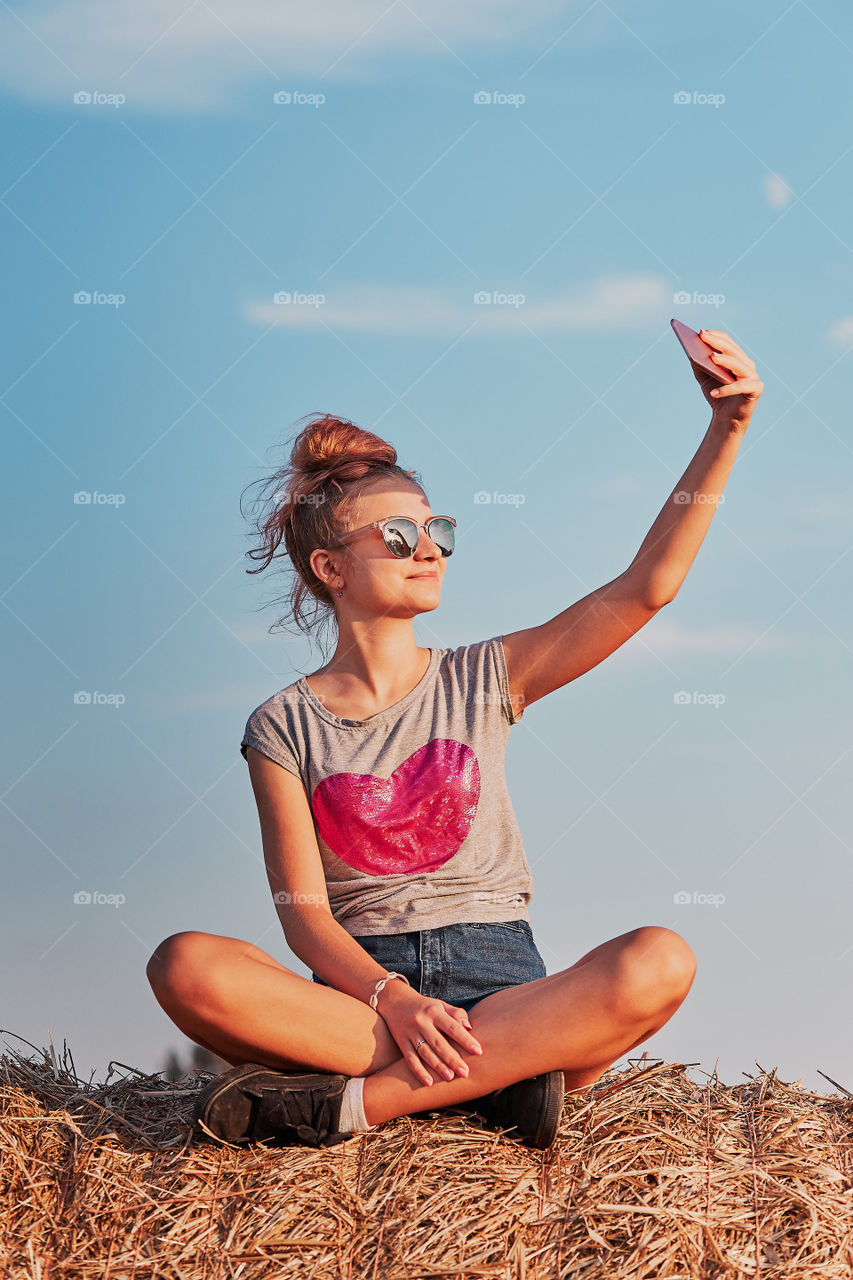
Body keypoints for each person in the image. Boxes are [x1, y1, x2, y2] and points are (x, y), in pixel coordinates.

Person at [146, 328, 763, 1150]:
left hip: (506, 991)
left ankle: (359, 1108)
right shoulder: (282, 725)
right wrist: (393, 998)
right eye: (398, 537)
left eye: (435, 529)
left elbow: (646, 587)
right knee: (184, 965)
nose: (428, 549)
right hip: (363, 1004)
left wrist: (726, 428)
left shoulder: (485, 677)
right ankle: (499, 1084)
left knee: (659, 959)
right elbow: (304, 915)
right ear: (330, 568)